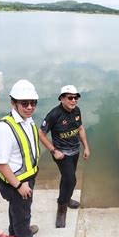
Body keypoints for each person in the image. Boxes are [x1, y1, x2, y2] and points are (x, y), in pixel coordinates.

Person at [0, 80, 41, 237]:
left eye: (33, 103)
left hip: (27, 178)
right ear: (13, 103)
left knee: (19, 211)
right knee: (22, 216)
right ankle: (24, 235)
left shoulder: (28, 120)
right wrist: (19, 185)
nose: (29, 107)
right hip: (16, 183)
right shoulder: (4, 129)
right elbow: (0, 163)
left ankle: (16, 232)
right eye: (24, 103)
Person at [38, 85, 90, 228]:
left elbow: (80, 128)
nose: (73, 101)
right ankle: (62, 209)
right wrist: (53, 150)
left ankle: (66, 199)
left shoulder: (77, 111)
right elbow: (41, 133)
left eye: (76, 98)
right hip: (61, 154)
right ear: (61, 98)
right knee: (71, 180)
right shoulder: (54, 114)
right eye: (70, 98)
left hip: (75, 151)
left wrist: (86, 146)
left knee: (67, 178)